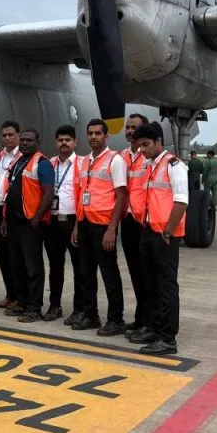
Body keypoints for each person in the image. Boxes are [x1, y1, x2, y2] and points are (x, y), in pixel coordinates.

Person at [129, 121, 188, 355]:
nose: (142, 150)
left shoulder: (174, 165)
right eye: (139, 145)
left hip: (165, 235)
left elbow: (181, 201)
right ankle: (154, 327)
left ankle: (168, 338)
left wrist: (168, 231)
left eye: (146, 145)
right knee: (150, 284)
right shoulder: (151, 164)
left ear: (159, 143)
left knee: (166, 287)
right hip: (149, 231)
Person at [71, 118, 128, 336]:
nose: (93, 137)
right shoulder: (84, 161)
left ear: (107, 136)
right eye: (90, 133)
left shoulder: (115, 160)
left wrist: (112, 229)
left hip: (103, 226)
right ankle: (90, 314)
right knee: (86, 273)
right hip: (85, 223)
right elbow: (81, 194)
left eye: (98, 133)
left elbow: (121, 195)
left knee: (109, 274)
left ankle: (116, 319)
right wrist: (77, 225)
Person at [0, 128, 54, 323]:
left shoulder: (42, 163)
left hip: (30, 224)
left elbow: (48, 193)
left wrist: (37, 218)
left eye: (28, 140)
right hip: (14, 221)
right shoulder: (18, 162)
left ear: (37, 141)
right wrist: (5, 218)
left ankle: (34, 307)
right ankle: (22, 302)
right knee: (17, 265)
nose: (24, 143)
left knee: (33, 267)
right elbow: (10, 192)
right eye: (22, 140)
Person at [42, 124, 81, 322]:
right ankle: (54, 306)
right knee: (55, 266)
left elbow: (83, 196)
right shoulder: (50, 164)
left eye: (67, 140)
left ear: (75, 142)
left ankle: (79, 309)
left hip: (73, 221)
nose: (64, 143)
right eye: (60, 140)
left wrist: (78, 226)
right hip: (54, 222)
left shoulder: (82, 164)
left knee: (79, 268)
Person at [119, 113, 151, 334]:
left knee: (148, 273)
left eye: (135, 128)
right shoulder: (121, 157)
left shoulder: (149, 157)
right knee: (135, 273)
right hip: (127, 221)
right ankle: (141, 317)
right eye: (128, 128)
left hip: (144, 223)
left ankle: (150, 320)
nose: (130, 131)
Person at [0, 120, 21, 310]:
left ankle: (20, 295)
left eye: (11, 135)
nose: (7, 138)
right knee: (3, 255)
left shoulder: (22, 156)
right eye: (4, 135)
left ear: (17, 135)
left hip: (14, 211)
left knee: (16, 255)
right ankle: (10, 293)